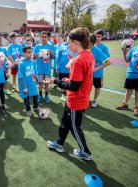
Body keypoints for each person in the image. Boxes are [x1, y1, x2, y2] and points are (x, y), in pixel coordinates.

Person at [46, 28, 94, 161]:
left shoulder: (78, 60)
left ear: (76, 42)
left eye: (68, 43)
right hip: (76, 97)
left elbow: (73, 86)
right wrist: (69, 78)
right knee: (64, 123)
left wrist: (56, 81)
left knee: (74, 127)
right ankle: (60, 144)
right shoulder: (87, 54)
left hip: (76, 100)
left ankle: (86, 152)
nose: (67, 45)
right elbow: (78, 81)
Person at [117, 31, 138, 116]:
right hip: (131, 73)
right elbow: (127, 60)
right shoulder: (134, 48)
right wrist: (124, 53)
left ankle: (136, 106)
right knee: (129, 90)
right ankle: (125, 104)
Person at [89, 34, 111, 108]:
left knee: (97, 87)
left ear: (93, 42)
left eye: (89, 42)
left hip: (97, 74)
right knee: (87, 87)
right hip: (87, 75)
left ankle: (95, 100)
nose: (87, 44)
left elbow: (108, 62)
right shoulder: (84, 49)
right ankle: (86, 99)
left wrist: (96, 69)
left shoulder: (97, 50)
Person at [33, 31, 55, 103]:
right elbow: (33, 58)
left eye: (45, 37)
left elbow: (53, 57)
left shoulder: (51, 46)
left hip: (47, 69)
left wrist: (51, 52)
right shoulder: (37, 46)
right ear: (40, 37)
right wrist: (35, 56)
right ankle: (40, 95)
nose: (44, 38)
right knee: (40, 83)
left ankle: (47, 96)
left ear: (47, 37)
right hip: (39, 68)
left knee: (47, 83)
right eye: (42, 37)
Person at [18, 46, 39, 116]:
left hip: (32, 83)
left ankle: (35, 106)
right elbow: (21, 77)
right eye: (28, 52)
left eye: (31, 52)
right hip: (25, 84)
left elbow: (34, 73)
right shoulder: (22, 63)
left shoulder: (33, 62)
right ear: (24, 53)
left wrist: (36, 81)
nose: (30, 54)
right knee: (26, 98)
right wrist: (24, 87)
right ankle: (28, 109)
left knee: (35, 95)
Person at [55, 35, 73, 102]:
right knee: (63, 83)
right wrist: (57, 68)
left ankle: (69, 95)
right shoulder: (61, 46)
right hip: (62, 69)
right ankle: (63, 95)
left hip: (72, 70)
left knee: (70, 84)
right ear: (66, 38)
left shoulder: (75, 46)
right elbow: (57, 58)